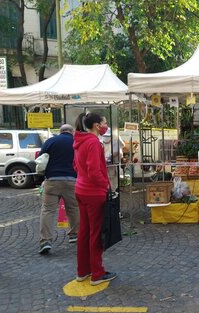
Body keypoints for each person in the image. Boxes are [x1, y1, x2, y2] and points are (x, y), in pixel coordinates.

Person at [73, 112, 117, 285]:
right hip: (93, 193)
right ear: (97, 126)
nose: (106, 126)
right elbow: (94, 171)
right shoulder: (93, 143)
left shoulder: (79, 141)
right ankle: (97, 273)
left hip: (80, 189)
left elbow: (75, 166)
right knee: (96, 233)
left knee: (84, 232)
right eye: (104, 123)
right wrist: (106, 186)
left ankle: (82, 271)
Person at [38, 124, 80, 254]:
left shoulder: (50, 141)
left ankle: (46, 241)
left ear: (60, 132)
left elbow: (40, 159)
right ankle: (74, 235)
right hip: (72, 180)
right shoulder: (76, 142)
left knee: (48, 210)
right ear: (72, 132)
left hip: (52, 180)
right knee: (73, 208)